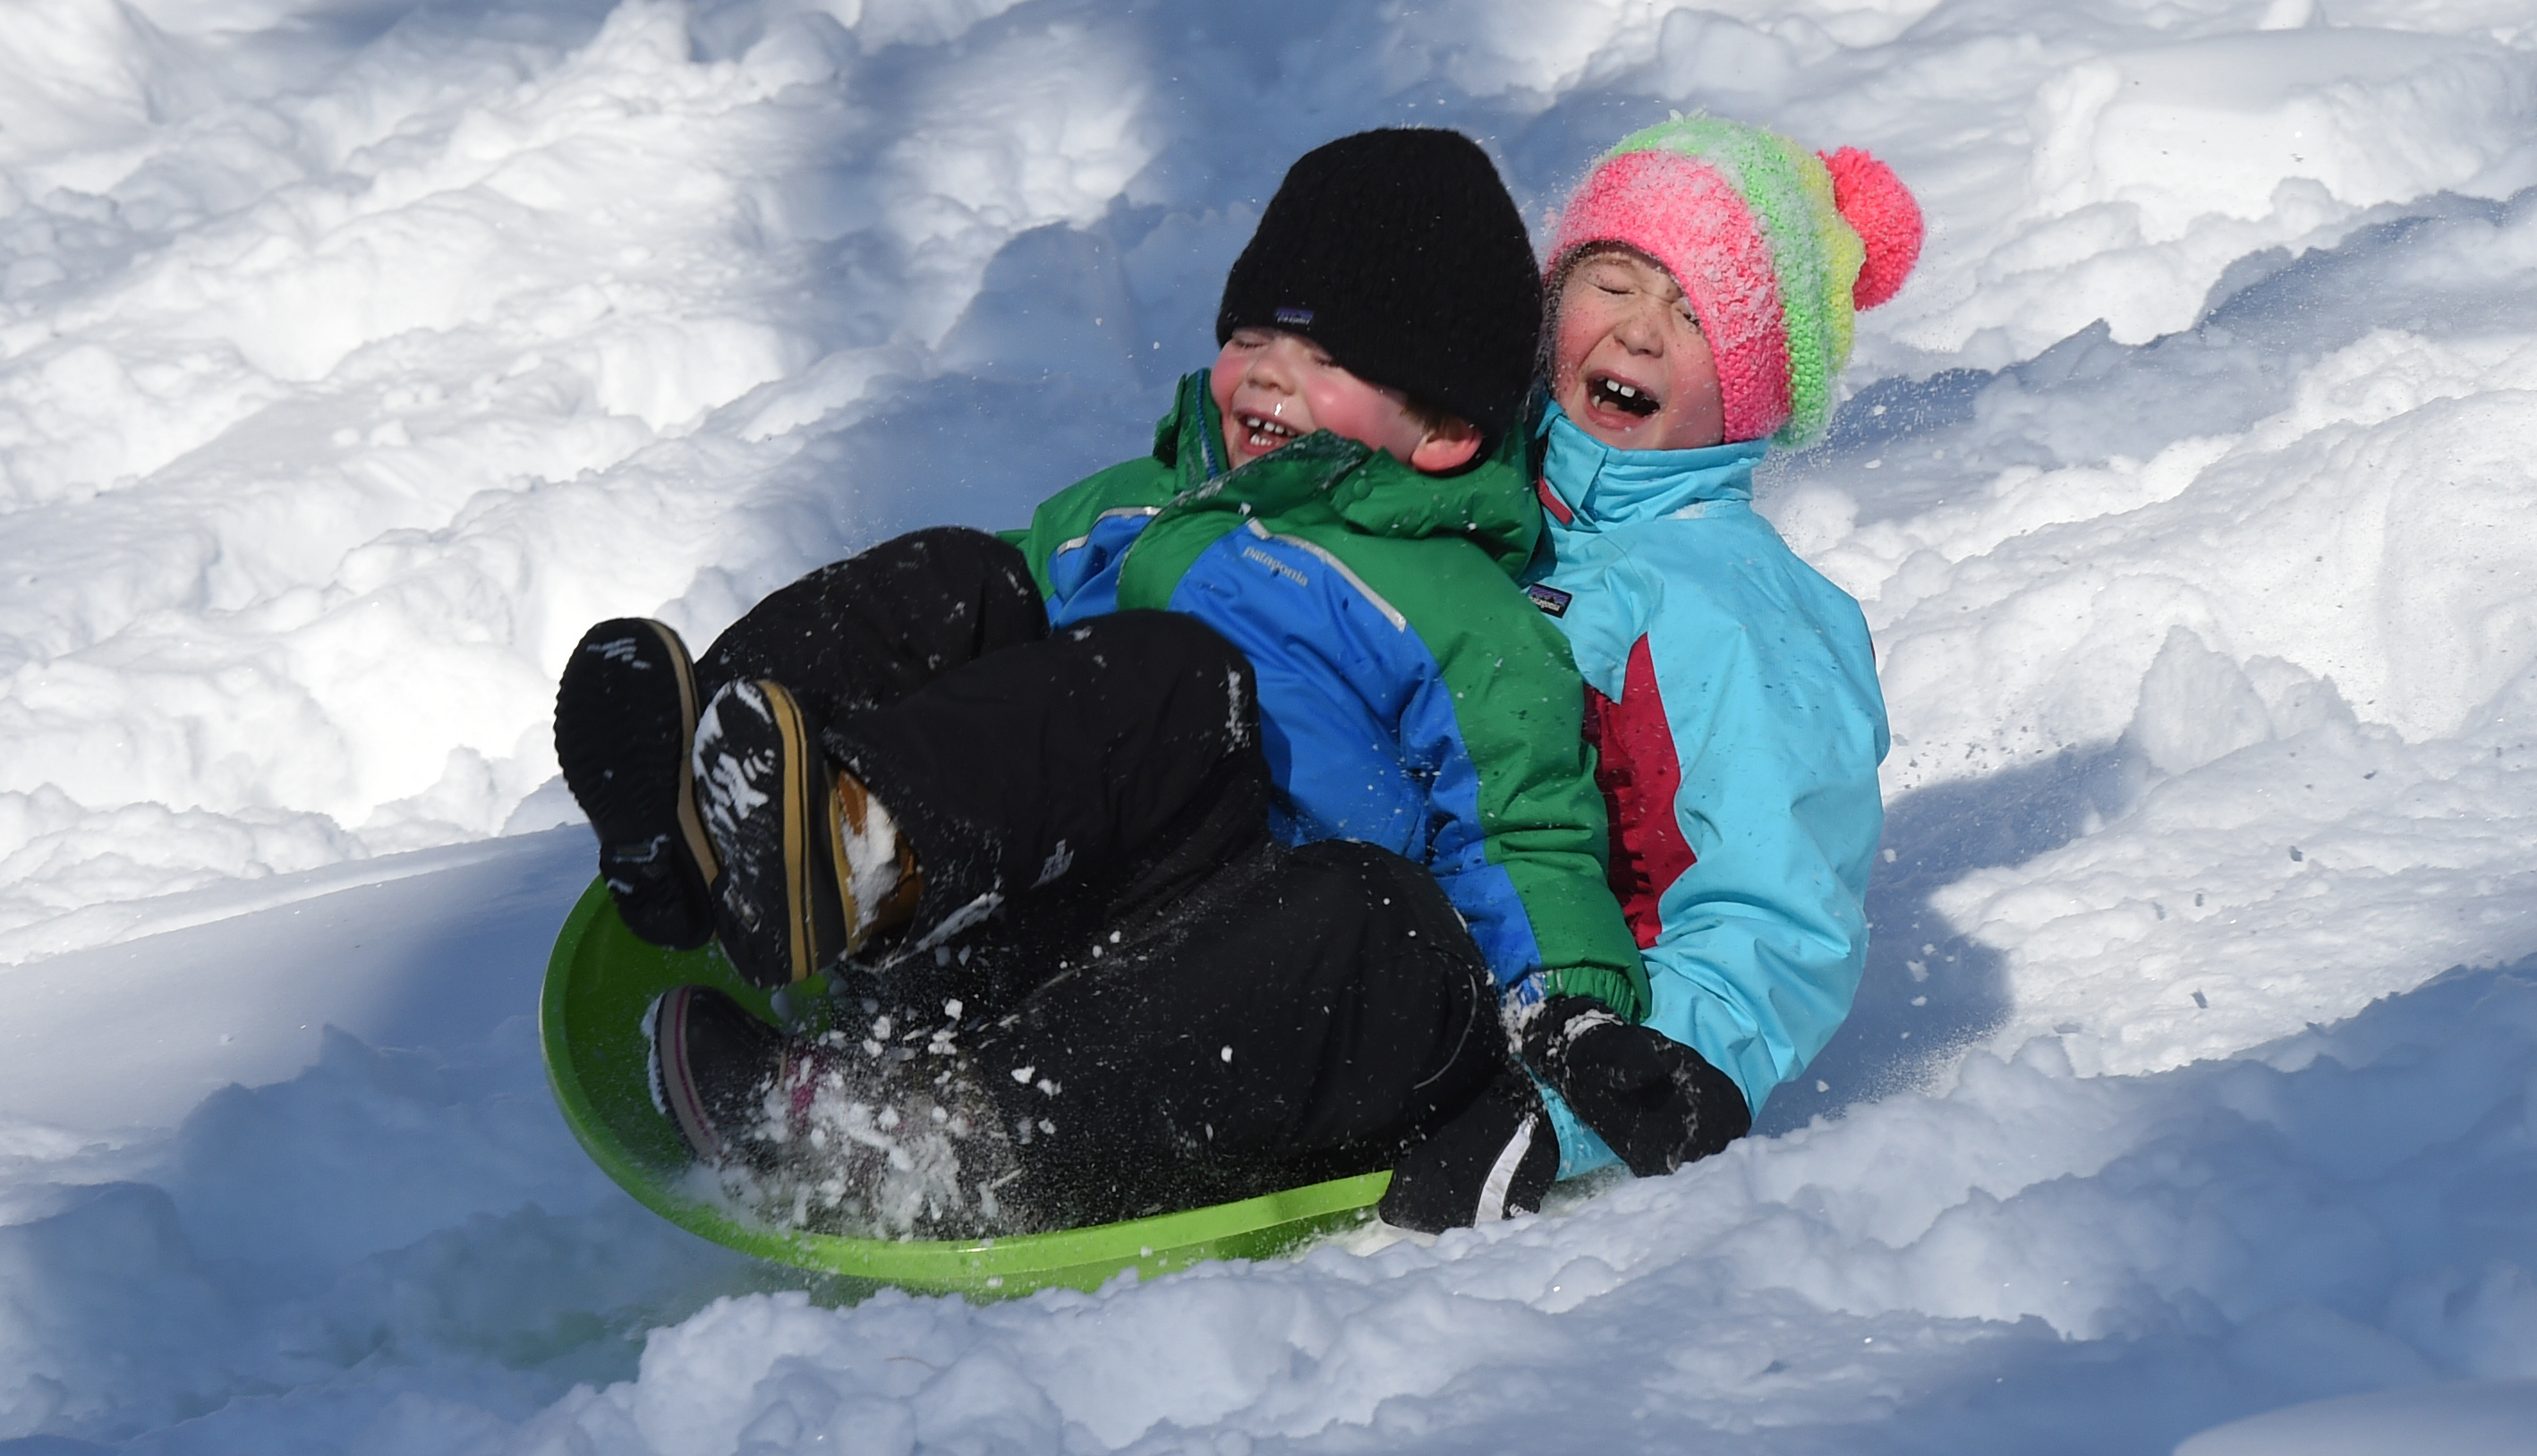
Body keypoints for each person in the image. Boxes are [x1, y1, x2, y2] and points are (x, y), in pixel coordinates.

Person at [551, 128, 1650, 1239]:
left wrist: (1571, 1042)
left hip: (1215, 992)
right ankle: (724, 801)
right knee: (967, 577)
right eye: (1253, 335)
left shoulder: (1467, 611)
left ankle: (915, 1118)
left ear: (1451, 432)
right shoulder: (1133, 504)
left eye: (1331, 360)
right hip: (991, 915)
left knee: (1320, 842)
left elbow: (1519, 840)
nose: (1269, 372)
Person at [1515, 114, 1918, 1184]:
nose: (1640, 331)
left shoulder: (1732, 606)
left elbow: (1775, 914)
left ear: (1747, 389)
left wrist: (1595, 1103)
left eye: (1696, 314)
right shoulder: (1468, 491)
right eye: (1612, 279)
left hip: (1561, 1033)